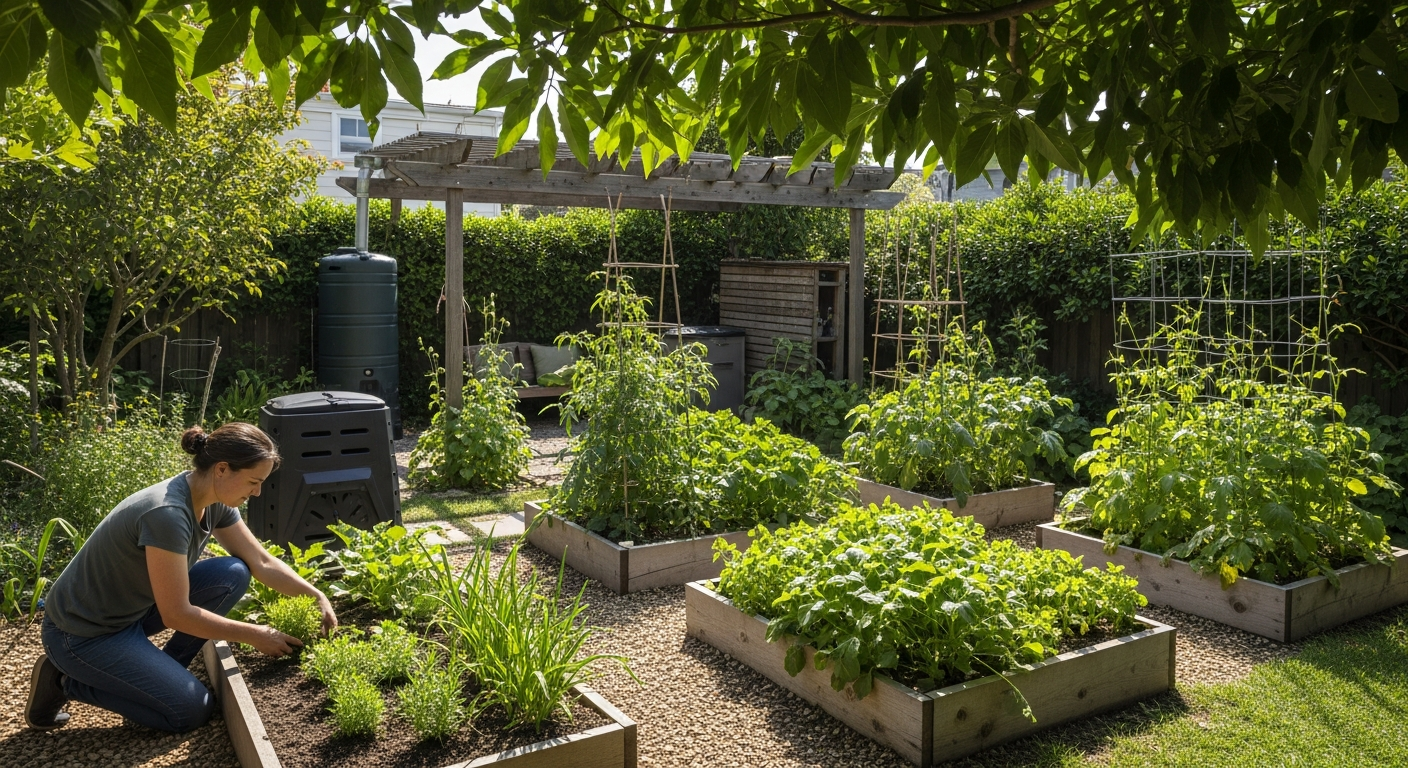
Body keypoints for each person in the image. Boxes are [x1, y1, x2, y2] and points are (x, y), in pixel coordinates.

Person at [25, 422, 338, 733]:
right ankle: (64, 682)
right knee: (190, 711)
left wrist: (317, 596)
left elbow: (261, 561)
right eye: (253, 482)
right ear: (222, 469)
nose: (256, 492)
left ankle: (160, 678)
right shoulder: (168, 514)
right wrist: (256, 634)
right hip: (82, 633)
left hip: (128, 612)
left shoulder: (213, 501)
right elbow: (176, 614)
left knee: (232, 573)